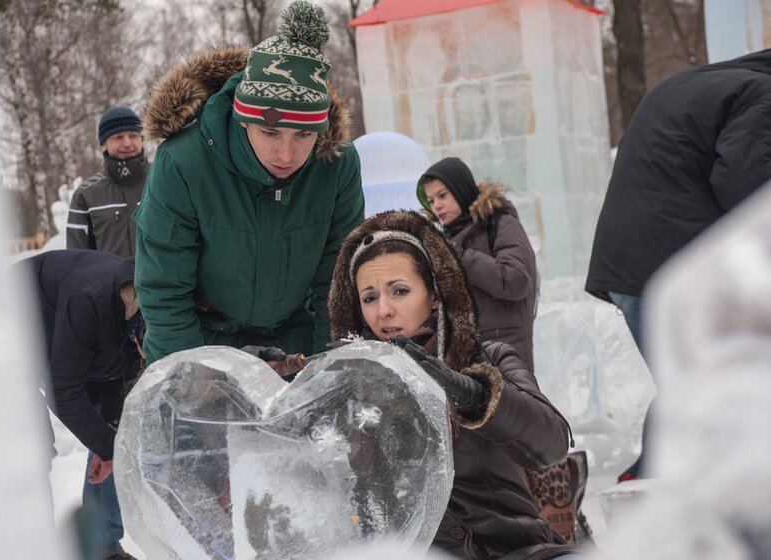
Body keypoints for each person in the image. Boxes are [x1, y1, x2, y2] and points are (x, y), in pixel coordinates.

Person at [326, 211, 584, 560]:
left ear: (434, 295)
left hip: (509, 551)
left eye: (399, 291)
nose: (383, 310)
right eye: (369, 298)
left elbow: (550, 445)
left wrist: (478, 397)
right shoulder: (350, 387)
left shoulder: (488, 360)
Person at [134, 0, 364, 365]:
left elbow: (336, 285)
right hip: (207, 337)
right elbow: (165, 291)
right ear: (243, 119)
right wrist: (192, 381)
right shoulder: (183, 161)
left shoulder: (336, 164)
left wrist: (331, 373)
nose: (286, 155)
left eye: (304, 135)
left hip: (298, 338)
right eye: (270, 132)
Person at [585, 49, 771, 480]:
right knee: (709, 397)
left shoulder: (703, 82)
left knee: (692, 390)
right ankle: (658, 500)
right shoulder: (762, 95)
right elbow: (748, 191)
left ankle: (643, 487)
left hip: (635, 262)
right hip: (668, 265)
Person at [17, 250, 144, 560]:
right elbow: (63, 393)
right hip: (8, 332)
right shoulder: (90, 300)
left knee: (115, 434)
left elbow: (118, 375)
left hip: (61, 338)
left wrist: (110, 438)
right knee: (32, 453)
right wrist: (110, 448)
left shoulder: (139, 311)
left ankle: (102, 548)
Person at [417, 157, 538, 371]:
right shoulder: (447, 238)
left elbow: (516, 281)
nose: (437, 205)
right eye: (431, 200)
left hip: (506, 351)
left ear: (461, 189)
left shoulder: (500, 224)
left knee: (512, 405)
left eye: (443, 195)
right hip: (467, 354)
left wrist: (459, 256)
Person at [67, 106, 149, 257]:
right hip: (110, 281)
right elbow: (76, 261)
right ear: (104, 143)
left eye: (133, 135)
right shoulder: (85, 194)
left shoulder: (164, 180)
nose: (127, 143)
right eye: (118, 137)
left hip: (163, 280)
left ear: (141, 138)